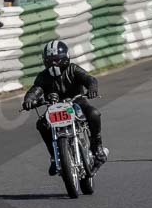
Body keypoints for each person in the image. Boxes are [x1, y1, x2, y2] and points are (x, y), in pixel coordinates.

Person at [22, 40, 107, 176]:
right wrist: (29, 100)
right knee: (42, 124)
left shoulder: (73, 69)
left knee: (94, 113)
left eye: (56, 60)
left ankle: (97, 148)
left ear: (65, 58)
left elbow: (89, 79)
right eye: (50, 61)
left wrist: (92, 88)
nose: (53, 64)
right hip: (55, 107)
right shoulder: (43, 76)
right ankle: (54, 157)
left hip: (78, 102)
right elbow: (36, 89)